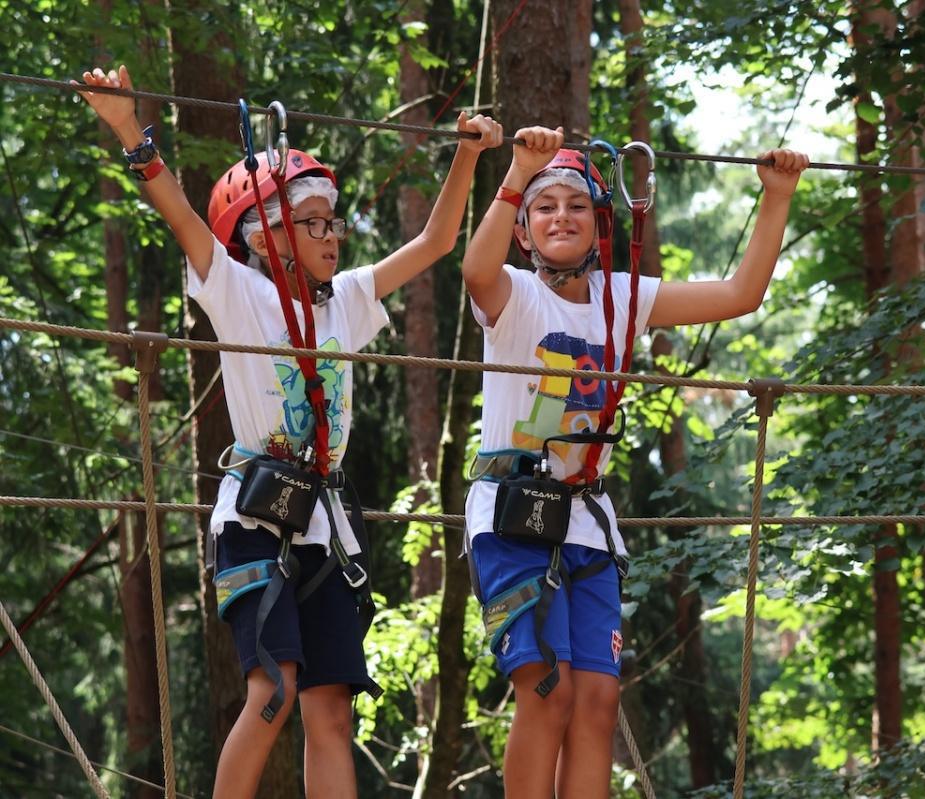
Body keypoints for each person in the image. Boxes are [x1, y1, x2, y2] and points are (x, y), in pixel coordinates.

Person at [75, 64, 502, 798]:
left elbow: (434, 241)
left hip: (327, 520)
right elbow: (179, 214)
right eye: (311, 220)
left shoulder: (347, 301)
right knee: (275, 689)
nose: (330, 234)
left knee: (330, 710)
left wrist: (466, 153)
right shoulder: (237, 291)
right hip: (257, 513)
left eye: (333, 220)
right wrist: (127, 129)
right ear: (262, 233)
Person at [461, 125, 808, 797]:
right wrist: (514, 176)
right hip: (512, 514)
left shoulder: (623, 298)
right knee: (547, 692)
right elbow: (474, 270)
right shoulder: (511, 294)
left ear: (600, 223)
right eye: (544, 207)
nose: (561, 215)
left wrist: (776, 197)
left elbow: (740, 293)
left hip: (586, 520)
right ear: (524, 232)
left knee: (594, 701)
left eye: (576, 206)